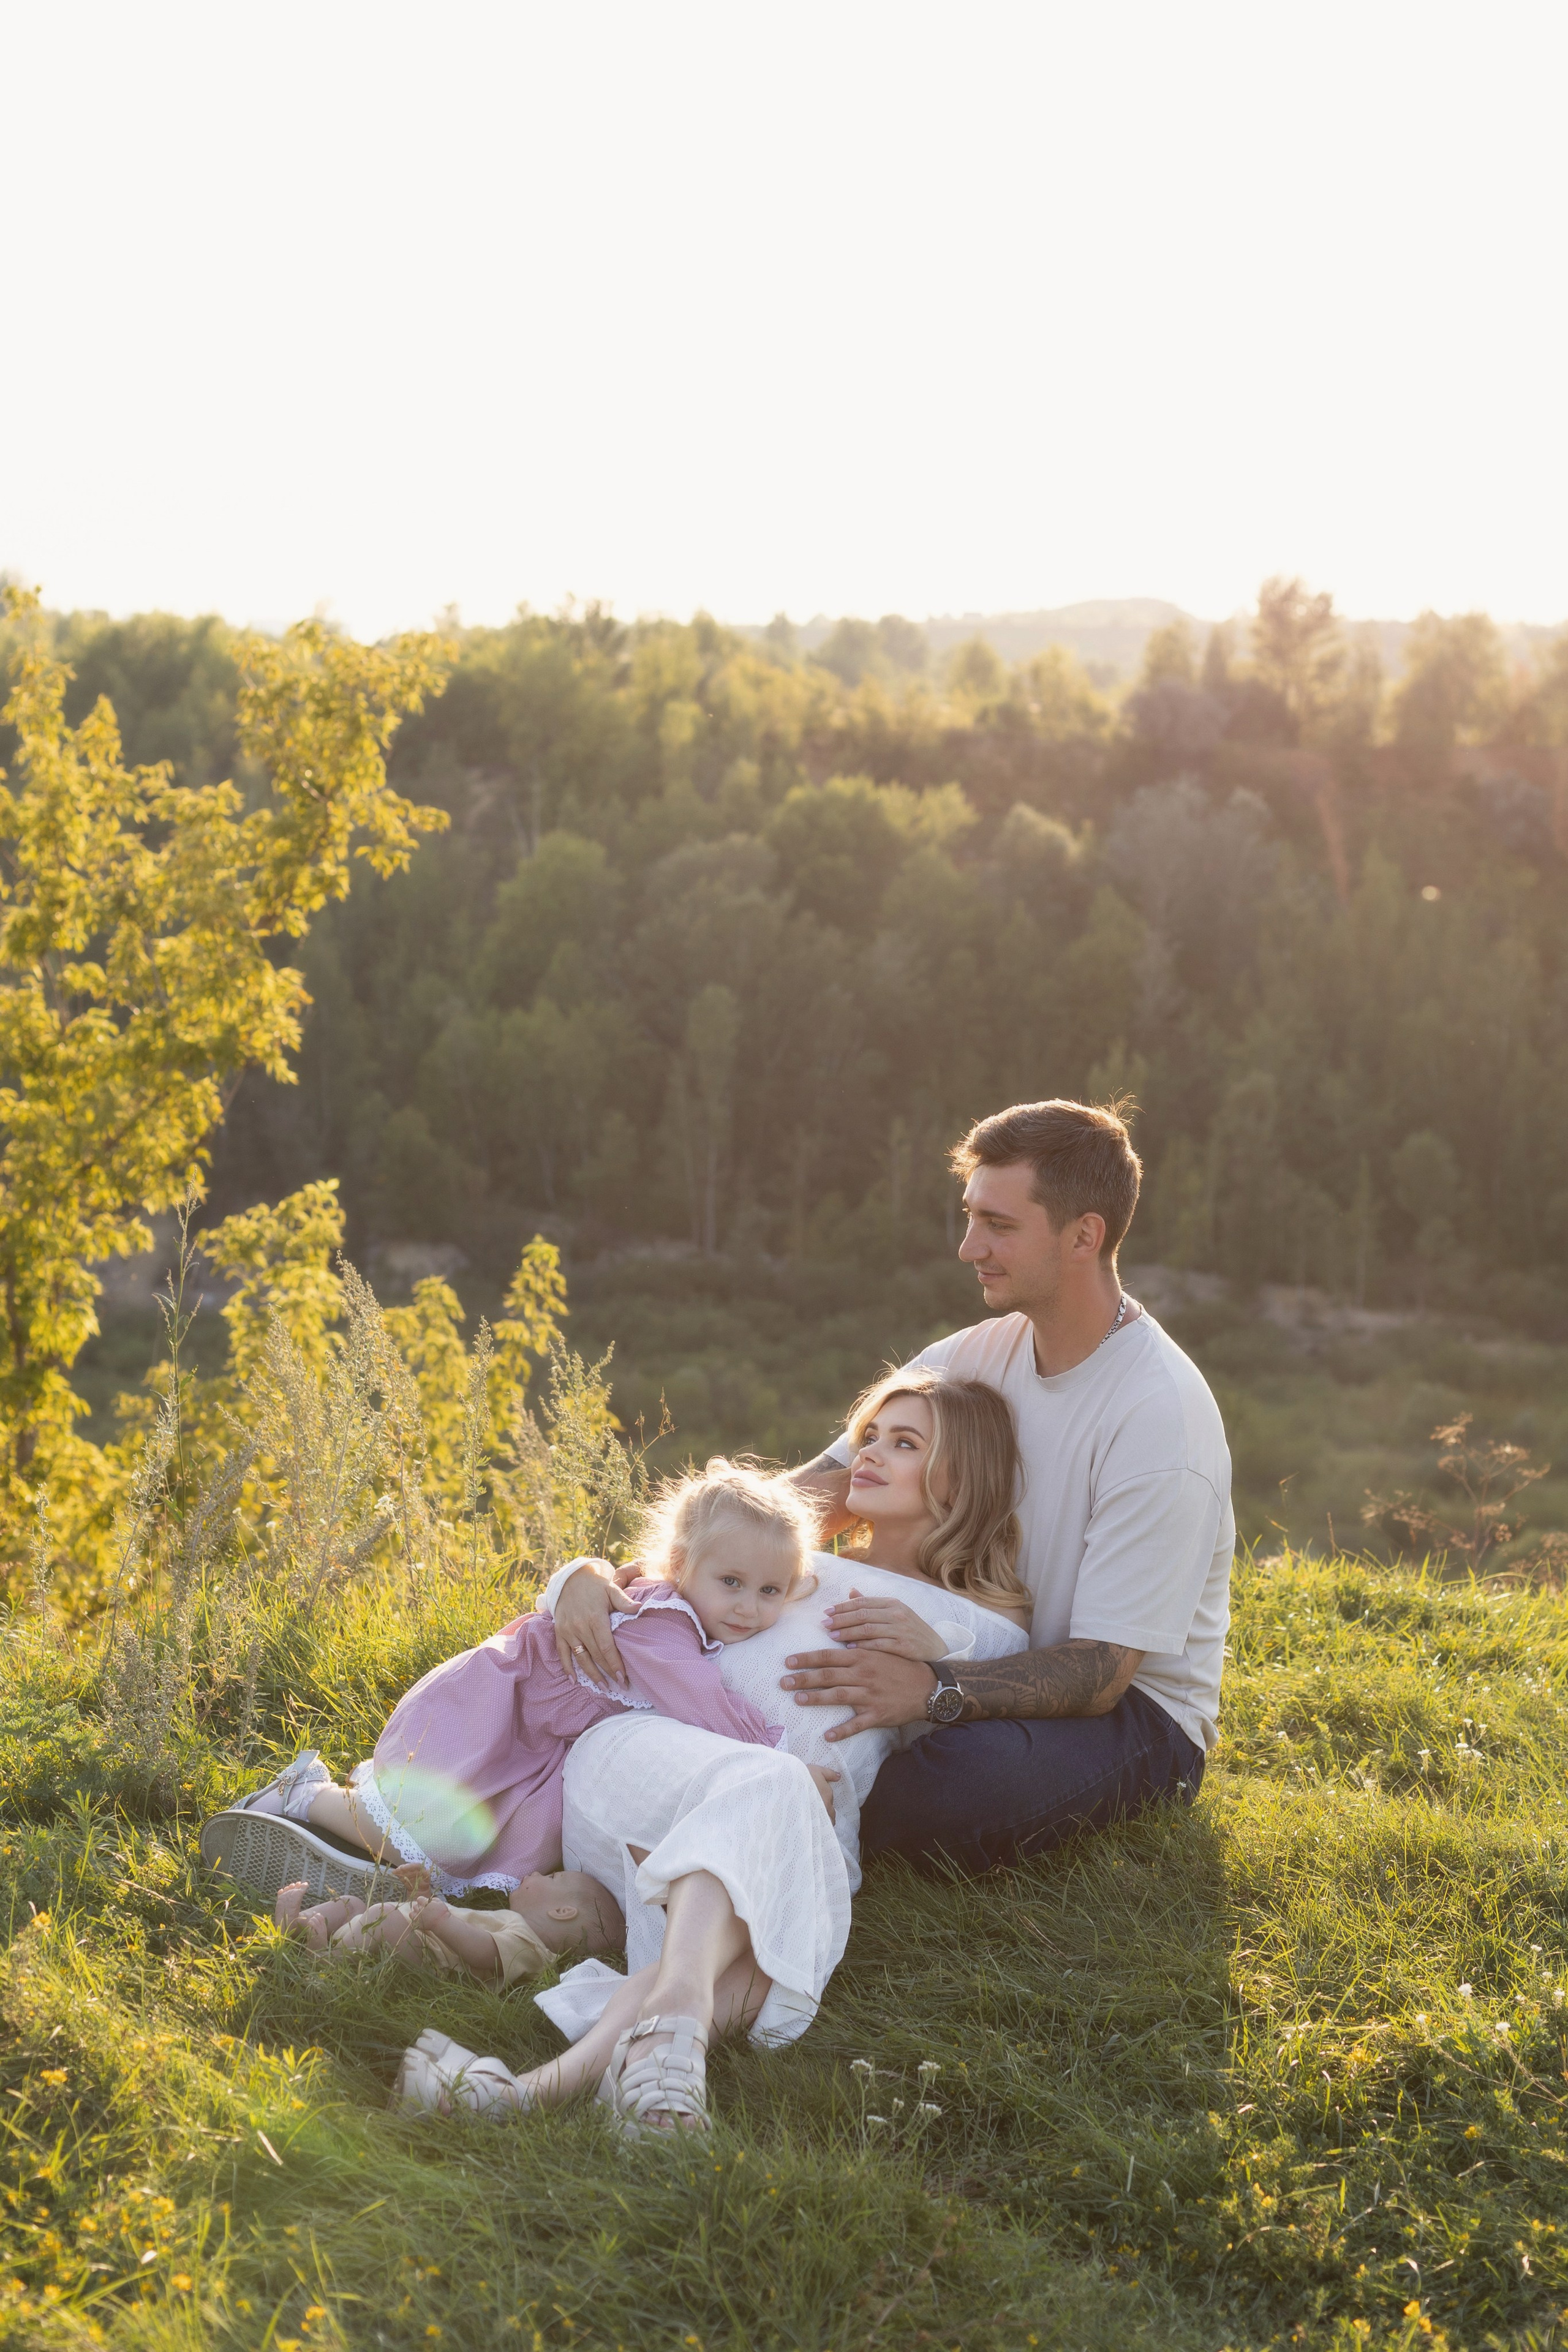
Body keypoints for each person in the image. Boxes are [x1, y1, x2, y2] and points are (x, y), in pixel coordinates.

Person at [552, 1096, 1233, 1880]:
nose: (967, 1246)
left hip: (1129, 1720)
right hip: (969, 1651)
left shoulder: (1159, 1420)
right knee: (736, 1684)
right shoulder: (975, 1354)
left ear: (1085, 1235)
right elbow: (810, 1498)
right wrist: (633, 1582)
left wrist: (934, 1688)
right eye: (970, 1215)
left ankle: (729, 1811)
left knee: (941, 1791)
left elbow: (1102, 1672)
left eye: (999, 1226)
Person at [394, 1373, 1031, 2136]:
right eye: (870, 1436)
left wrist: (940, 1671)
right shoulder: (796, 1554)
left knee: (741, 1954)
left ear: (964, 1477)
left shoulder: (993, 1632)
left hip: (801, 1819)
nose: (866, 1456)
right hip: (641, 1766)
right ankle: (649, 2052)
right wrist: (581, 1576)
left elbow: (960, 1750)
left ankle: (526, 2095)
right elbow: (654, 1589)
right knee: (770, 1786)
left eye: (905, 1444)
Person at [200, 1460, 832, 1908]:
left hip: (535, 1735)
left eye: (769, 1590)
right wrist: (781, 1764)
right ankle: (306, 1796)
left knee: (482, 1836)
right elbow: (706, 1704)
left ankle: (385, 1873)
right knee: (436, 1822)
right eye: (732, 1582)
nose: (749, 1606)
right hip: (496, 1706)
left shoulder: (683, 1615)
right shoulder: (665, 1625)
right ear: (682, 1563)